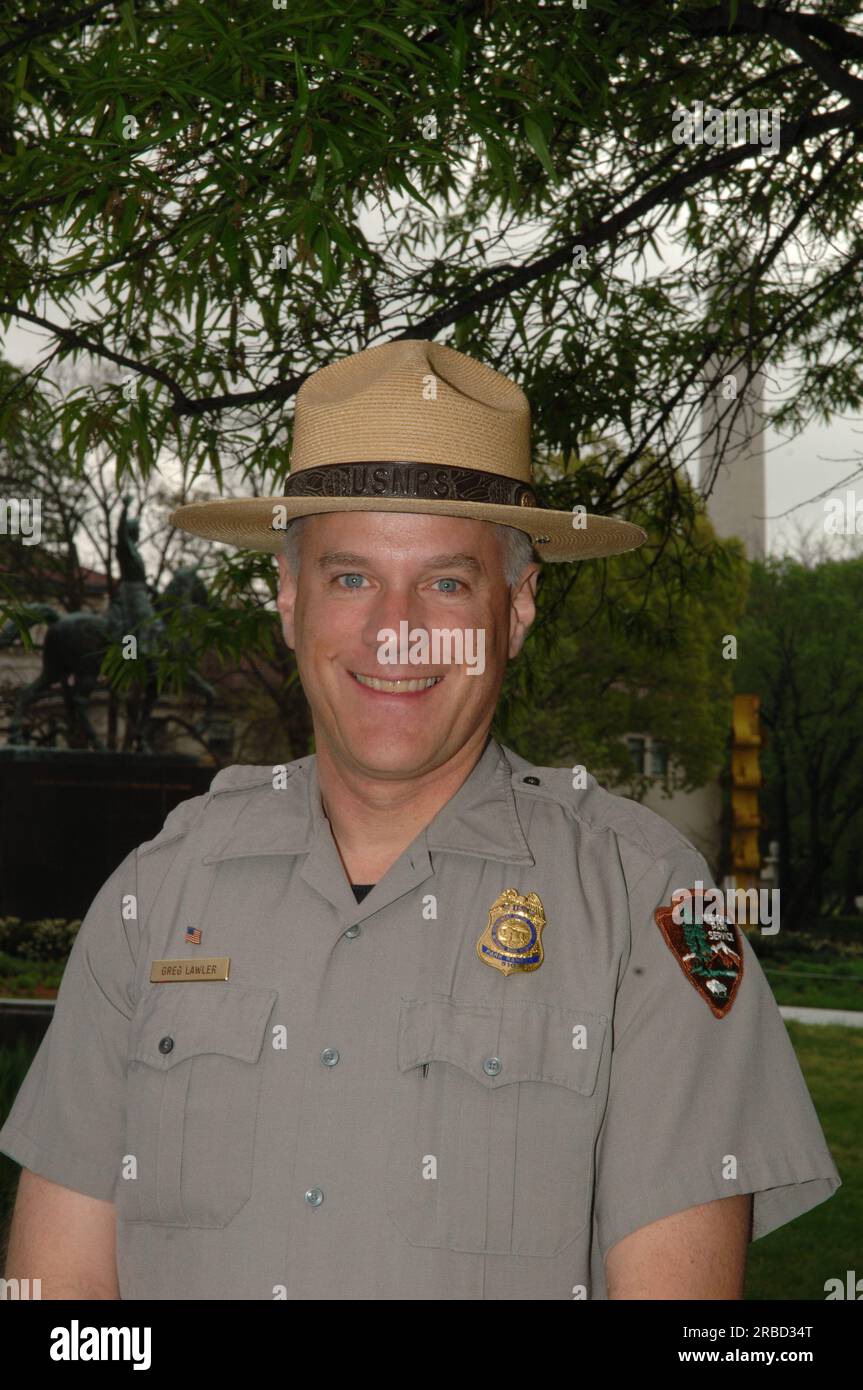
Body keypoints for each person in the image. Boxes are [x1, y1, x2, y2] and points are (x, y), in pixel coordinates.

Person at [0, 340, 840, 1300]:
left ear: (516, 609)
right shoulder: (157, 894)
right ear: (287, 599)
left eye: (444, 582)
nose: (392, 629)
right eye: (350, 577)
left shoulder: (652, 905)